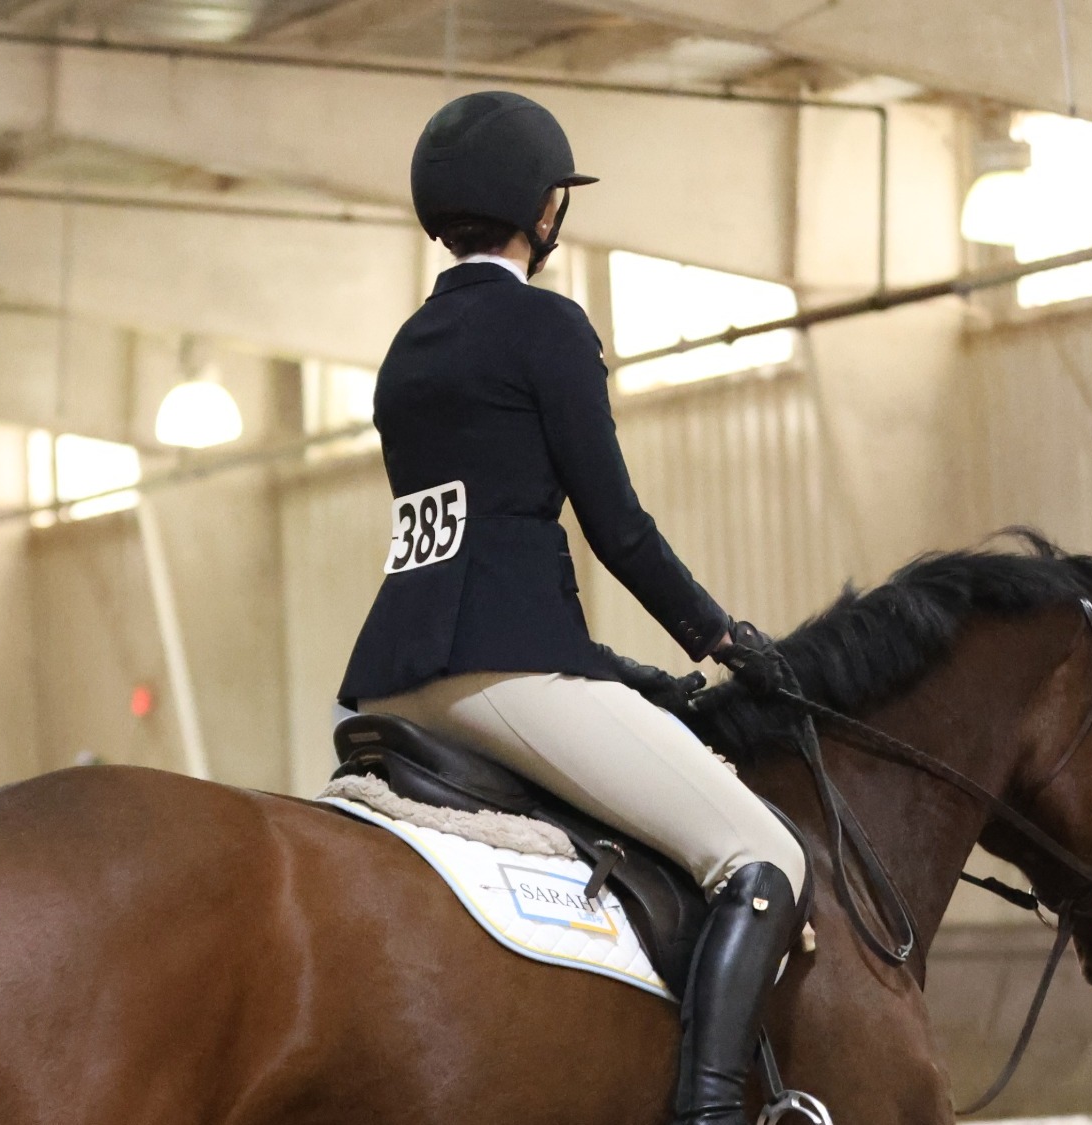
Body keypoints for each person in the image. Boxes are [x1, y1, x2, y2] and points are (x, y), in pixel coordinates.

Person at [336, 91, 808, 1125]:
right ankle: (714, 1112)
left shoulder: (406, 349)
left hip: (399, 678)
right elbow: (616, 527)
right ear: (541, 210)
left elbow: (473, 537)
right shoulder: (545, 327)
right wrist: (720, 640)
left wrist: (603, 664)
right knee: (764, 854)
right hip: (498, 675)